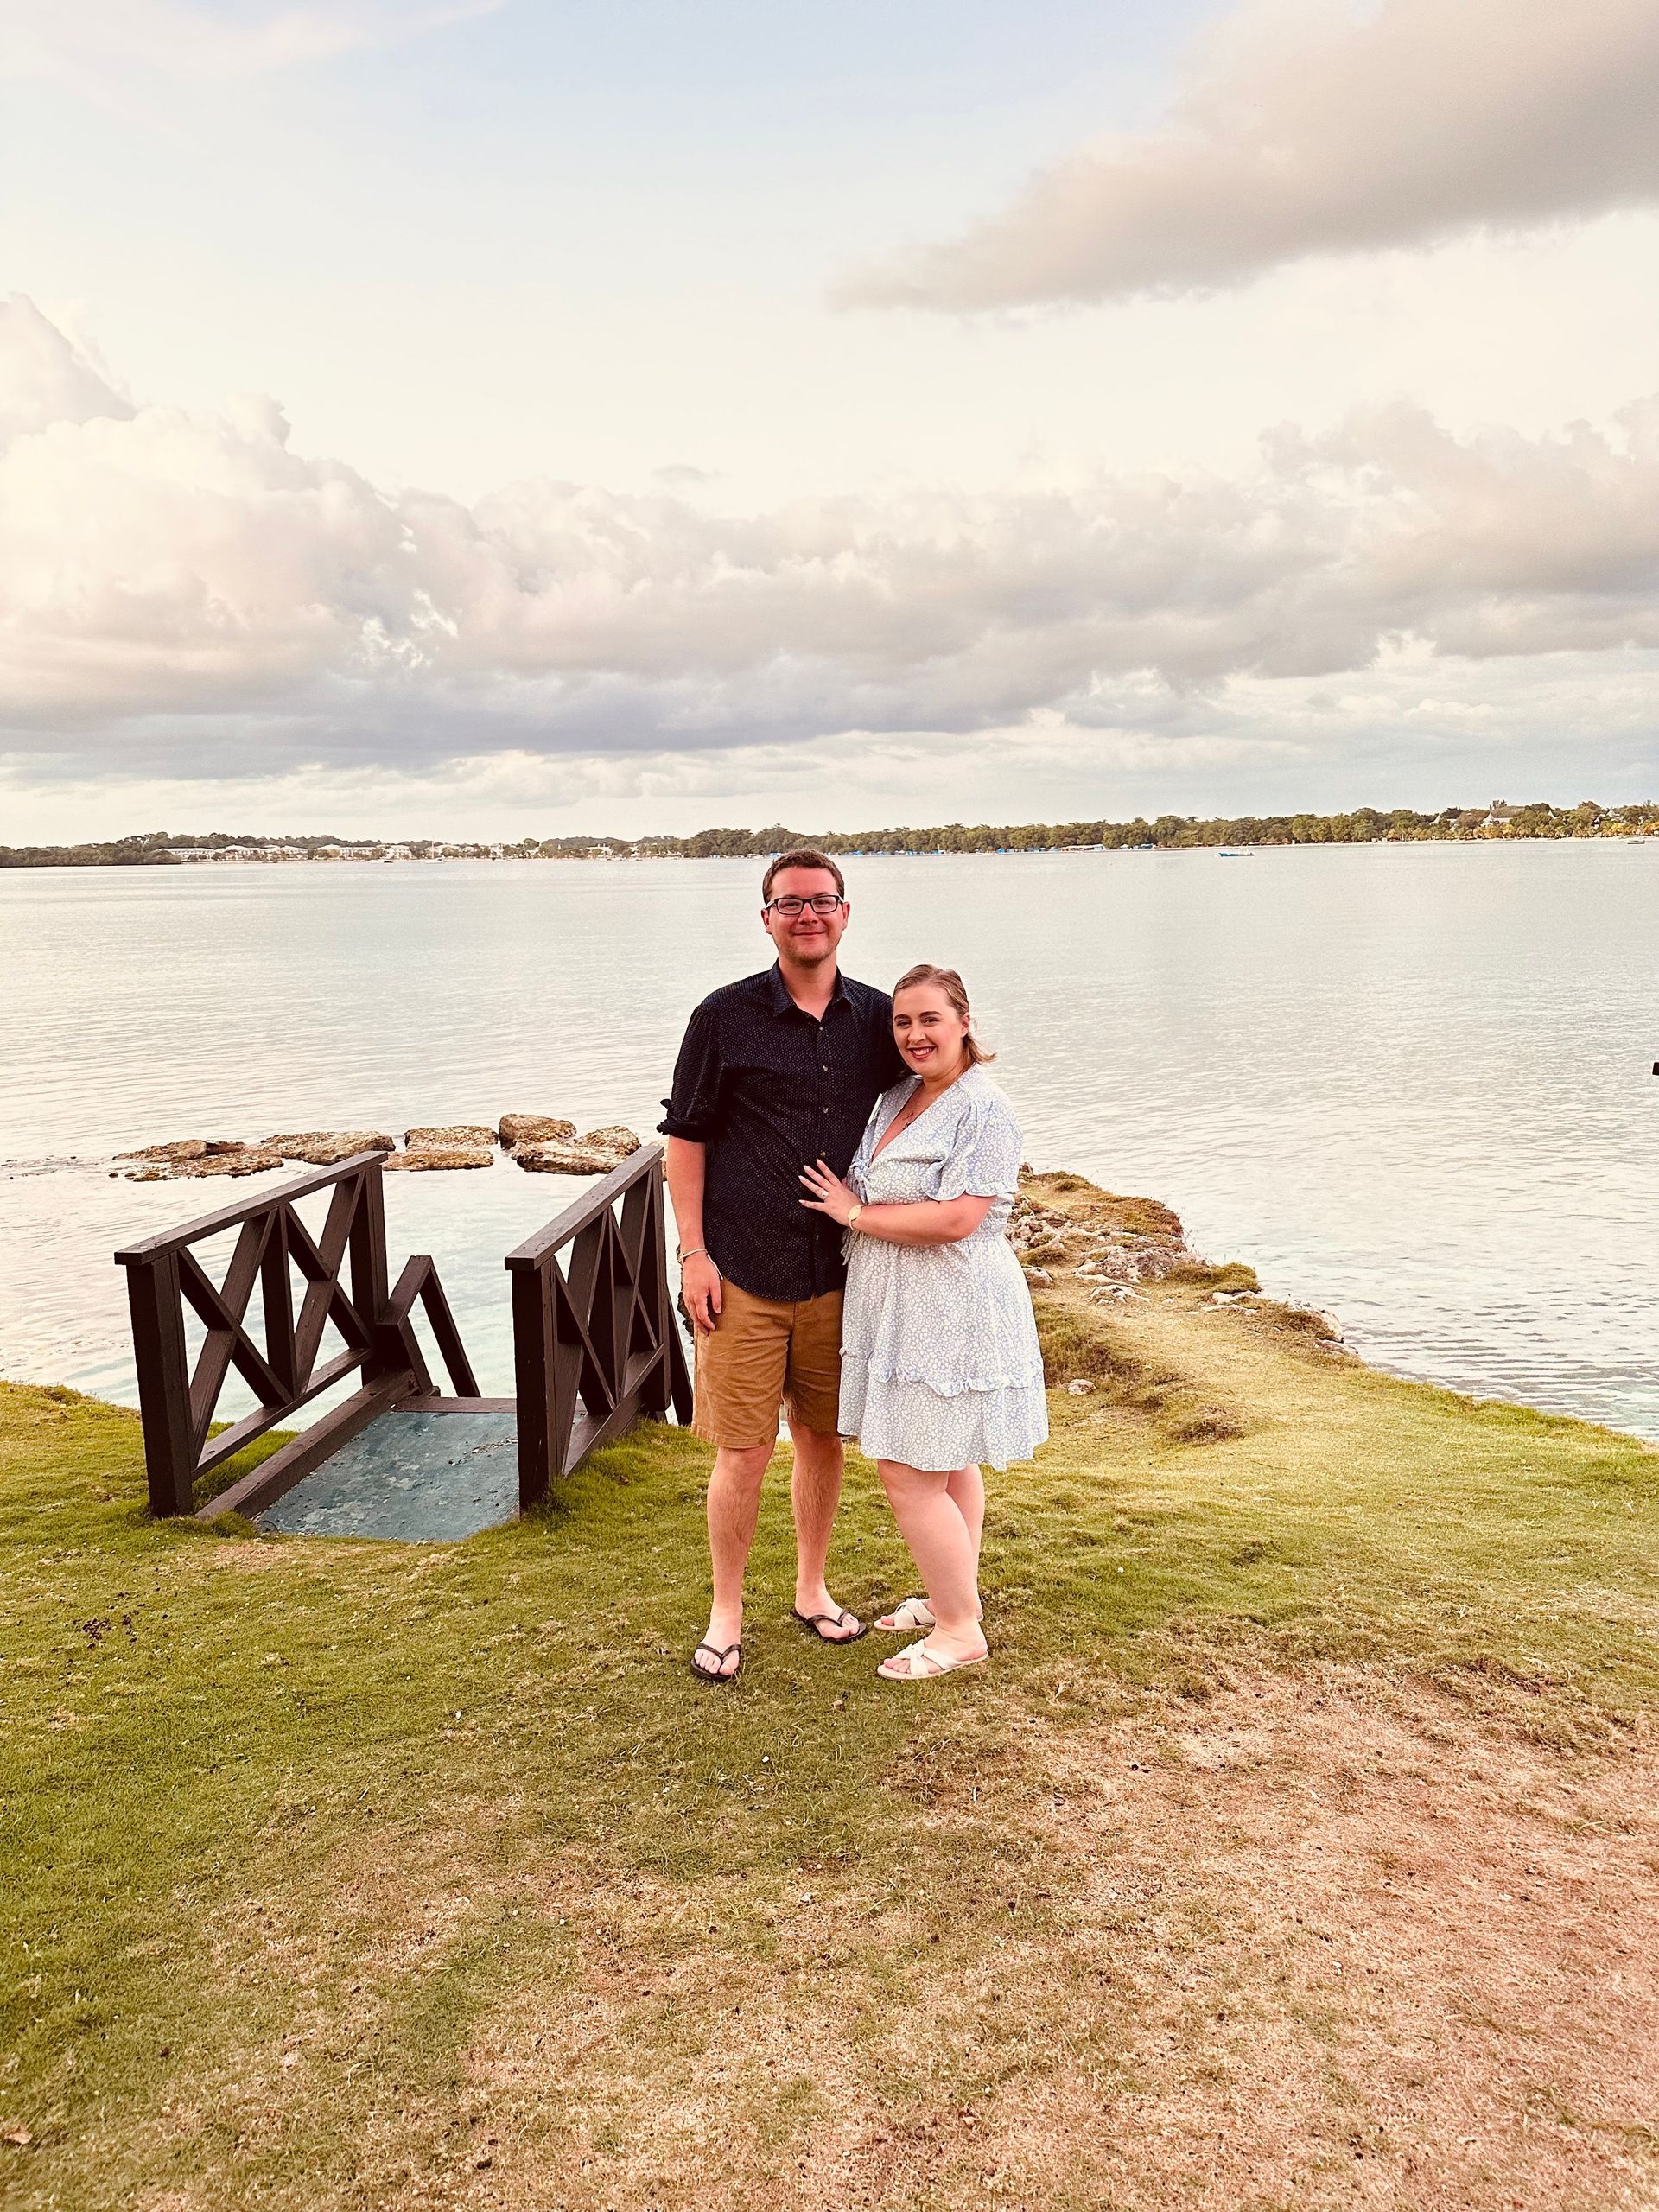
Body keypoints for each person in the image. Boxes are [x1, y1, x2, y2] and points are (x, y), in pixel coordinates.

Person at [659, 849, 907, 1682]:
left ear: (847, 911)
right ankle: (726, 1611)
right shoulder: (723, 1017)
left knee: (822, 1441)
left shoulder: (878, 1018)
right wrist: (693, 1255)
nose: (808, 915)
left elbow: (934, 1092)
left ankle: (811, 1589)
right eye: (790, 903)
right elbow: (685, 1139)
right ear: (765, 916)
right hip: (741, 1275)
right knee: (743, 1452)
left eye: (822, 901)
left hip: (843, 1272)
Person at [798, 963, 1046, 1681]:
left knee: (907, 1468)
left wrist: (853, 1213)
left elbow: (960, 1218)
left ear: (964, 1022)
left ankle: (961, 1630)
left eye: (930, 1019)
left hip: (951, 1301)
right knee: (949, 1460)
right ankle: (951, 1600)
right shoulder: (900, 1095)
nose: (914, 1034)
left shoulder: (983, 1108)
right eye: (903, 1022)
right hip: (896, 1297)